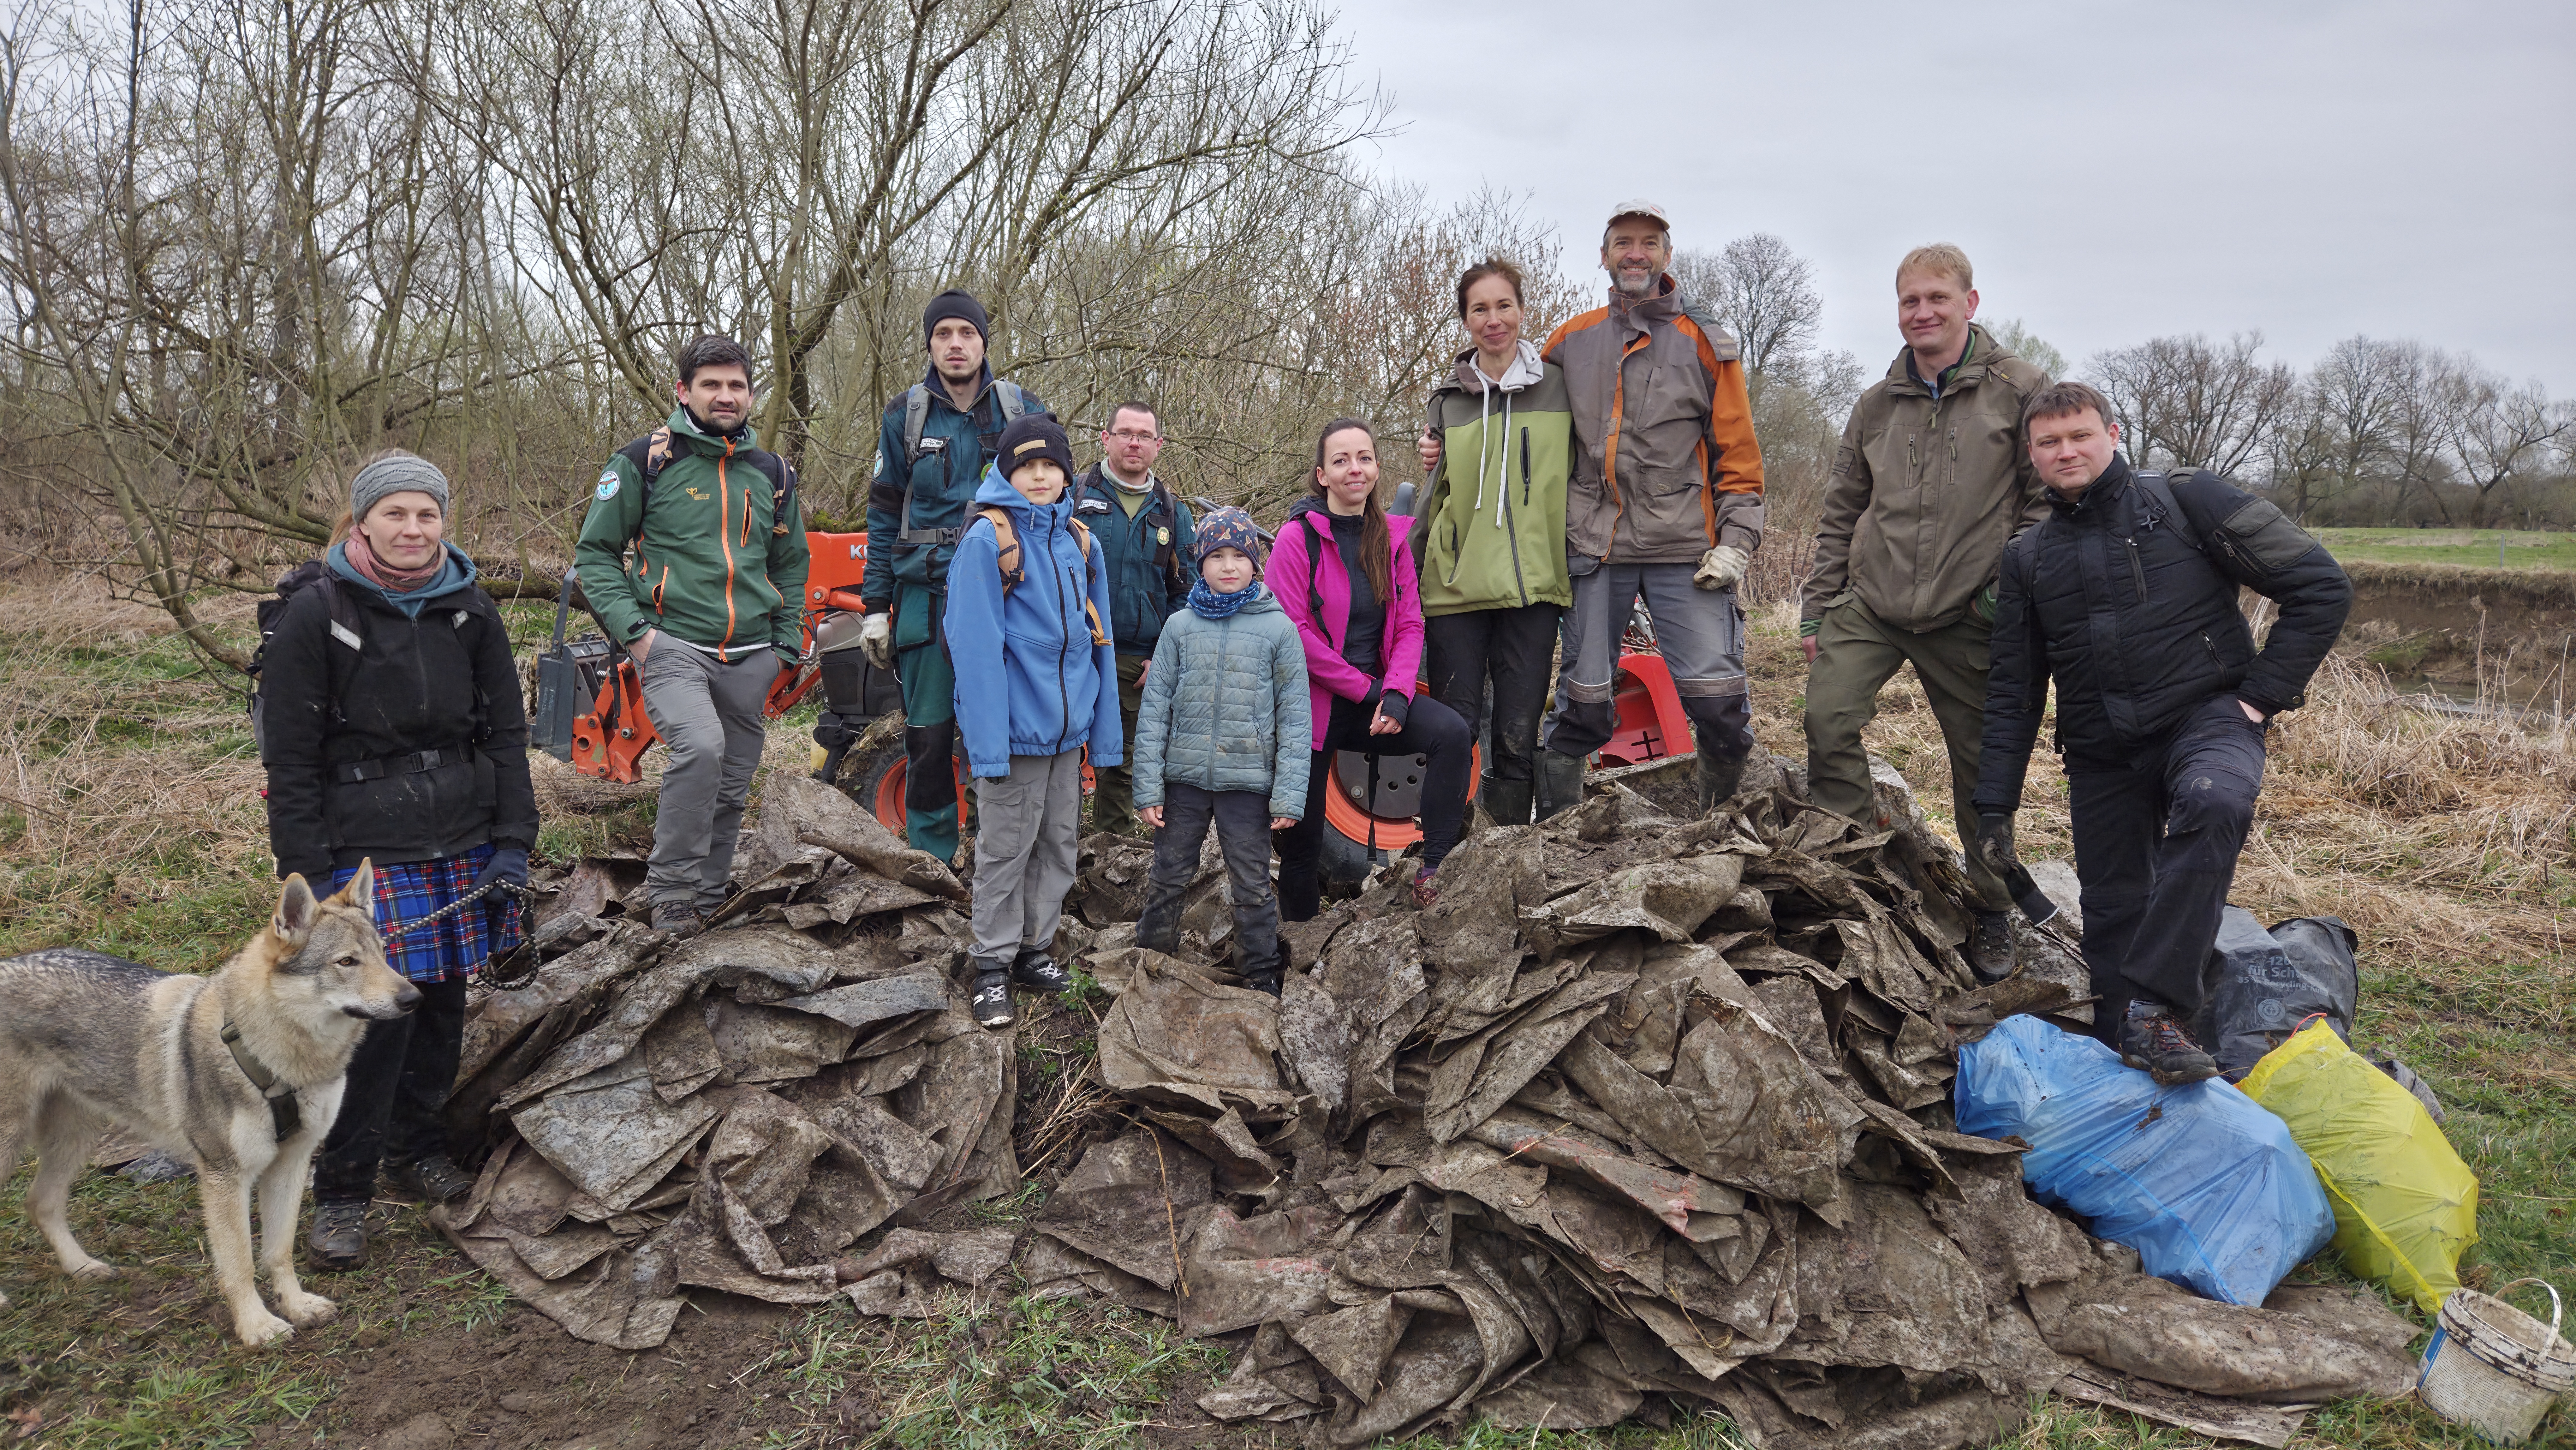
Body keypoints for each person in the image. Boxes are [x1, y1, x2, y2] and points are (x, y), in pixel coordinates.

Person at [1973, 381, 2351, 1084]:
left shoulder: (2187, 500)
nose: (2067, 451)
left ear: (2113, 435)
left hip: (2207, 717)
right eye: (2049, 442)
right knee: (2114, 909)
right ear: (2032, 455)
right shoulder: (2028, 558)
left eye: (2080, 435)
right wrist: (1995, 804)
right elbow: (2014, 692)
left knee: (2216, 802)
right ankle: (2130, 1053)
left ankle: (2159, 1007)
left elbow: (2321, 585)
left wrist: (2261, 697)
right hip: (2099, 750)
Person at [259, 451, 537, 1267]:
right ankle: (342, 1189)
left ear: (443, 523)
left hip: (462, 834)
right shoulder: (316, 615)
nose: (414, 530)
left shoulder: (473, 611)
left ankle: (417, 1151)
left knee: (442, 1002)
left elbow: (508, 737)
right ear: (364, 521)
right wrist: (310, 874)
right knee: (364, 1024)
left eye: (428, 515)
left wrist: (513, 843)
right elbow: (291, 759)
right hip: (363, 852)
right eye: (397, 514)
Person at [1799, 245, 2052, 981]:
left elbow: (2045, 508)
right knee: (1826, 719)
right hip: (1872, 603)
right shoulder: (1878, 404)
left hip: (1970, 612)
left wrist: (2001, 598)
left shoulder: (2021, 390)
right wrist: (1818, 612)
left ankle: (1993, 906)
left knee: (1982, 770)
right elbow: (1842, 509)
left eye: (1937, 298)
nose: (1923, 312)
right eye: (1910, 300)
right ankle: (1852, 872)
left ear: (1970, 303)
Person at [1534, 200, 1765, 813]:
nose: (1635, 253)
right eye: (1623, 242)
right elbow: (1522, 429)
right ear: (1604, 255)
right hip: (1594, 549)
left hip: (1685, 551)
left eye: (1649, 243)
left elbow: (1739, 459)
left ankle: (1721, 830)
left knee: (1719, 705)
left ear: (1667, 255)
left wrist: (1737, 544)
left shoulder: (1707, 342)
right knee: (1580, 706)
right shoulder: (1569, 342)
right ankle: (1555, 840)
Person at [574, 334, 808, 938]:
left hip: (753, 652)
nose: (725, 396)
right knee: (700, 749)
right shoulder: (645, 462)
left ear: (750, 394)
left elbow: (790, 564)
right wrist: (638, 636)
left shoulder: (773, 472)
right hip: (673, 644)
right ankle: (671, 893)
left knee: (732, 774)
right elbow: (596, 556)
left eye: (736, 385)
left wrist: (785, 647)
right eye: (711, 385)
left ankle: (708, 891)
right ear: (684, 392)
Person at [943, 413, 1122, 1029]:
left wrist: (1103, 732)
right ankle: (990, 965)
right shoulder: (988, 541)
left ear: (1068, 473)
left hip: (1067, 735)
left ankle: (1032, 949)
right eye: (1028, 466)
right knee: (1005, 849)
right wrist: (989, 746)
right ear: (1007, 471)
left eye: (1051, 466)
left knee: (1058, 843)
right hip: (1015, 734)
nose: (1040, 476)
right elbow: (974, 651)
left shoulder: (1079, 541)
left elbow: (1099, 641)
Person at [860, 291, 1046, 865]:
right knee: (929, 736)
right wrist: (874, 606)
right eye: (944, 334)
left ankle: (1005, 857)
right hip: (928, 596)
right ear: (930, 344)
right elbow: (884, 514)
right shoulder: (904, 415)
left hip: (1006, 597)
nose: (956, 344)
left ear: (985, 342)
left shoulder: (1022, 410)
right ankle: (932, 860)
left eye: (967, 332)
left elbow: (1049, 504)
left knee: (1009, 735)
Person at [1269, 418, 1472, 914]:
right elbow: (1293, 632)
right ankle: (1299, 937)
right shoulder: (1296, 540)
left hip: (1374, 699)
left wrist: (1398, 693)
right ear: (1322, 475)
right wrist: (1367, 690)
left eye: (1363, 458)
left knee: (1451, 733)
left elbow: (1409, 624)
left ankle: (1435, 872)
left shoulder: (1391, 540)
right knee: (1303, 841)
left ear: (1378, 467)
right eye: (1340, 461)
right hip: (1309, 709)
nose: (1353, 469)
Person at [1409, 257, 1574, 829]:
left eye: (1504, 305)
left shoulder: (1562, 388)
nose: (1494, 319)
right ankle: (1443, 855)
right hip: (1457, 588)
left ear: (1522, 311)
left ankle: (1508, 851)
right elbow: (1434, 497)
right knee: (1455, 726)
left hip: (1535, 586)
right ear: (1465, 320)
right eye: (1480, 308)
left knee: (1517, 732)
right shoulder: (1447, 401)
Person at [1131, 508, 1308, 995]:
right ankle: (1151, 959)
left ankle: (1261, 973)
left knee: (1251, 885)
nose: (1228, 566)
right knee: (1168, 875)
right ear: (1200, 563)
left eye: (1239, 556)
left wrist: (1290, 797)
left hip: (1248, 785)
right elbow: (1155, 712)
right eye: (1216, 556)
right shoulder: (1180, 627)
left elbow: (1295, 718)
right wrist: (1148, 785)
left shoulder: (1279, 631)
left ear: (1256, 563)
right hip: (1183, 781)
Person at [1072, 400, 1197, 836]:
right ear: (1106, 438)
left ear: (1158, 446)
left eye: (1144, 436)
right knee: (1061, 758)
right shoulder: (1073, 494)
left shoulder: (1173, 512)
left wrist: (1163, 656)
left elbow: (1186, 593)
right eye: (1125, 433)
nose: (1134, 443)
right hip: (1073, 653)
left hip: (1135, 661)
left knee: (1122, 764)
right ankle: (1056, 855)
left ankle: (1110, 854)